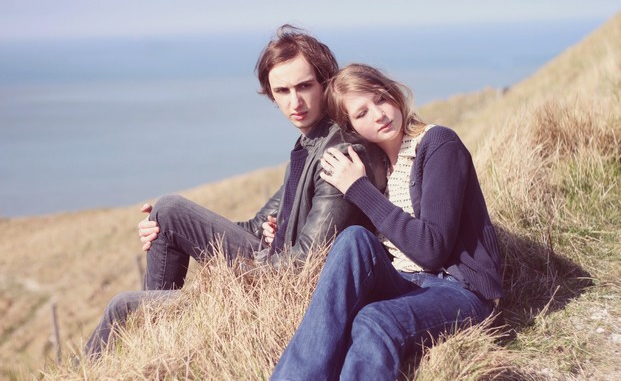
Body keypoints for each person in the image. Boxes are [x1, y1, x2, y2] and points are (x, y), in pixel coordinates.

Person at [84, 28, 387, 359]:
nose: (294, 102)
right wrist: (164, 229)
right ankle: (160, 336)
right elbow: (258, 227)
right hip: (271, 266)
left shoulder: (337, 152)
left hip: (290, 293)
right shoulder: (309, 144)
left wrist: (220, 282)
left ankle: (150, 335)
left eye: (304, 86)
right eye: (282, 91)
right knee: (167, 211)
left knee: (123, 307)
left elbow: (306, 267)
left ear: (326, 83)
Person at [271, 64, 504, 380]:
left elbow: (432, 249)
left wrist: (358, 189)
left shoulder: (438, 145)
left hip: (461, 291)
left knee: (375, 319)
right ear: (350, 127)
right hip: (404, 282)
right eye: (362, 113)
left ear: (394, 95)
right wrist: (280, 230)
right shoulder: (376, 167)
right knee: (353, 238)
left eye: (381, 99)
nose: (379, 114)